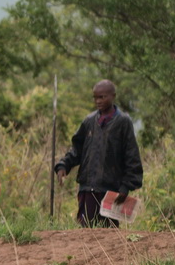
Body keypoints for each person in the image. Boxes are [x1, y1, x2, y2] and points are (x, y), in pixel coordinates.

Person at [55, 80, 143, 227]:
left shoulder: (123, 122)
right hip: (87, 189)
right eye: (95, 97)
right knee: (86, 230)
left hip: (111, 192)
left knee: (108, 235)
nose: (98, 101)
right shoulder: (89, 121)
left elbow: (132, 156)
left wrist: (126, 187)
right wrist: (64, 165)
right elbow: (77, 149)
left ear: (113, 96)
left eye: (102, 97)